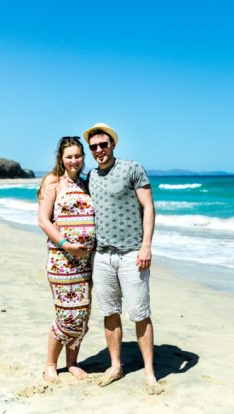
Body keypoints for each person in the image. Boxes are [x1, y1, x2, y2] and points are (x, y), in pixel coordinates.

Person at [83, 122, 161, 394]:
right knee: (109, 312)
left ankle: (150, 373)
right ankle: (116, 366)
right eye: (93, 147)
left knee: (140, 313)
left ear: (113, 144)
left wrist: (146, 246)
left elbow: (149, 207)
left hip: (132, 255)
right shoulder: (91, 176)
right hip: (102, 256)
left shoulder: (132, 168)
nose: (99, 150)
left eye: (103, 144)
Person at [37, 136, 96, 383]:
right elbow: (43, 219)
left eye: (78, 156)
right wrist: (67, 245)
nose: (74, 160)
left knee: (82, 315)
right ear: (61, 158)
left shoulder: (85, 183)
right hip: (62, 261)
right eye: (69, 156)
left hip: (85, 263)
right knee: (66, 315)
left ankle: (72, 363)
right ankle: (51, 364)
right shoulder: (53, 182)